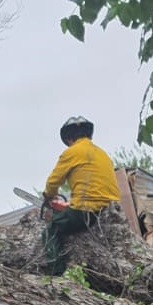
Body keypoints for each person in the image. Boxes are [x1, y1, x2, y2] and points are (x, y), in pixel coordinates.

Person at [41, 115, 120, 274]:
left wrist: (49, 196)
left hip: (85, 211)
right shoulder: (102, 154)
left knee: (51, 229)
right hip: (109, 210)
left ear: (69, 138)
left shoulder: (71, 152)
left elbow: (53, 182)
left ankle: (56, 274)